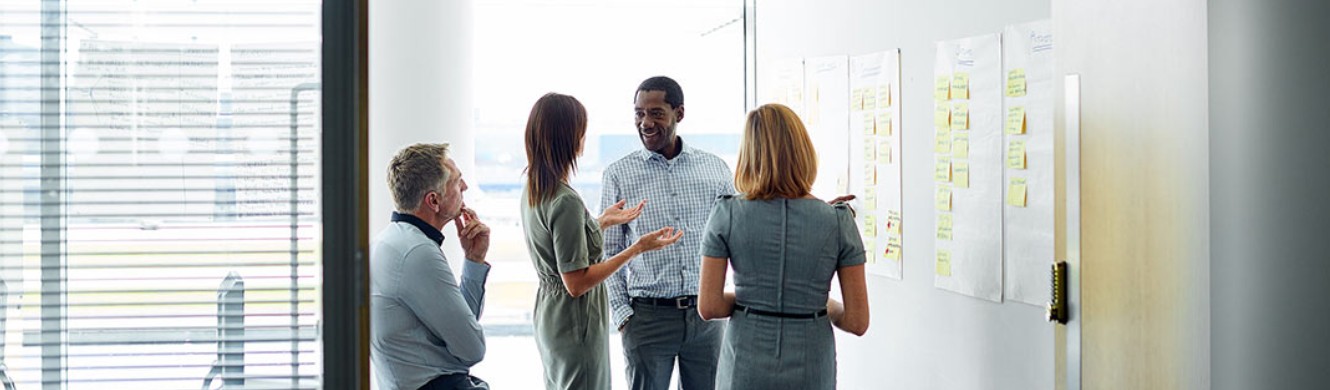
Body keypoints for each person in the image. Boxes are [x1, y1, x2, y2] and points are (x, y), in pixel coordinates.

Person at [697, 103, 871, 390]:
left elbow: (710, 306)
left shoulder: (726, 214)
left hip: (745, 362)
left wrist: (752, 299)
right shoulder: (837, 221)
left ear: (748, 155)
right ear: (804, 151)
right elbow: (857, 321)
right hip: (811, 365)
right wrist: (818, 302)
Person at [519, 92, 685, 390]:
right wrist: (637, 249)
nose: (585, 136)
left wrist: (602, 222)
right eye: (581, 128)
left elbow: (559, 246)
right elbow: (576, 281)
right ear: (568, 136)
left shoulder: (535, 188)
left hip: (551, 315)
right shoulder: (565, 200)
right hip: (575, 320)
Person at [600, 76, 734, 390]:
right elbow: (608, 251)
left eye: (656, 113)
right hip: (647, 320)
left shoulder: (715, 169)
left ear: (679, 113)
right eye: (639, 113)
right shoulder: (618, 174)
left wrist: (812, 206)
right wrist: (623, 315)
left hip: (707, 319)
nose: (645, 122)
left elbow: (740, 228)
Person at [371, 143, 494, 390]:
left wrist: (473, 260)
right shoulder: (417, 253)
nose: (465, 187)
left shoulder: (390, 240)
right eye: (457, 181)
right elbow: (473, 349)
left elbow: (463, 329)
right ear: (434, 200)